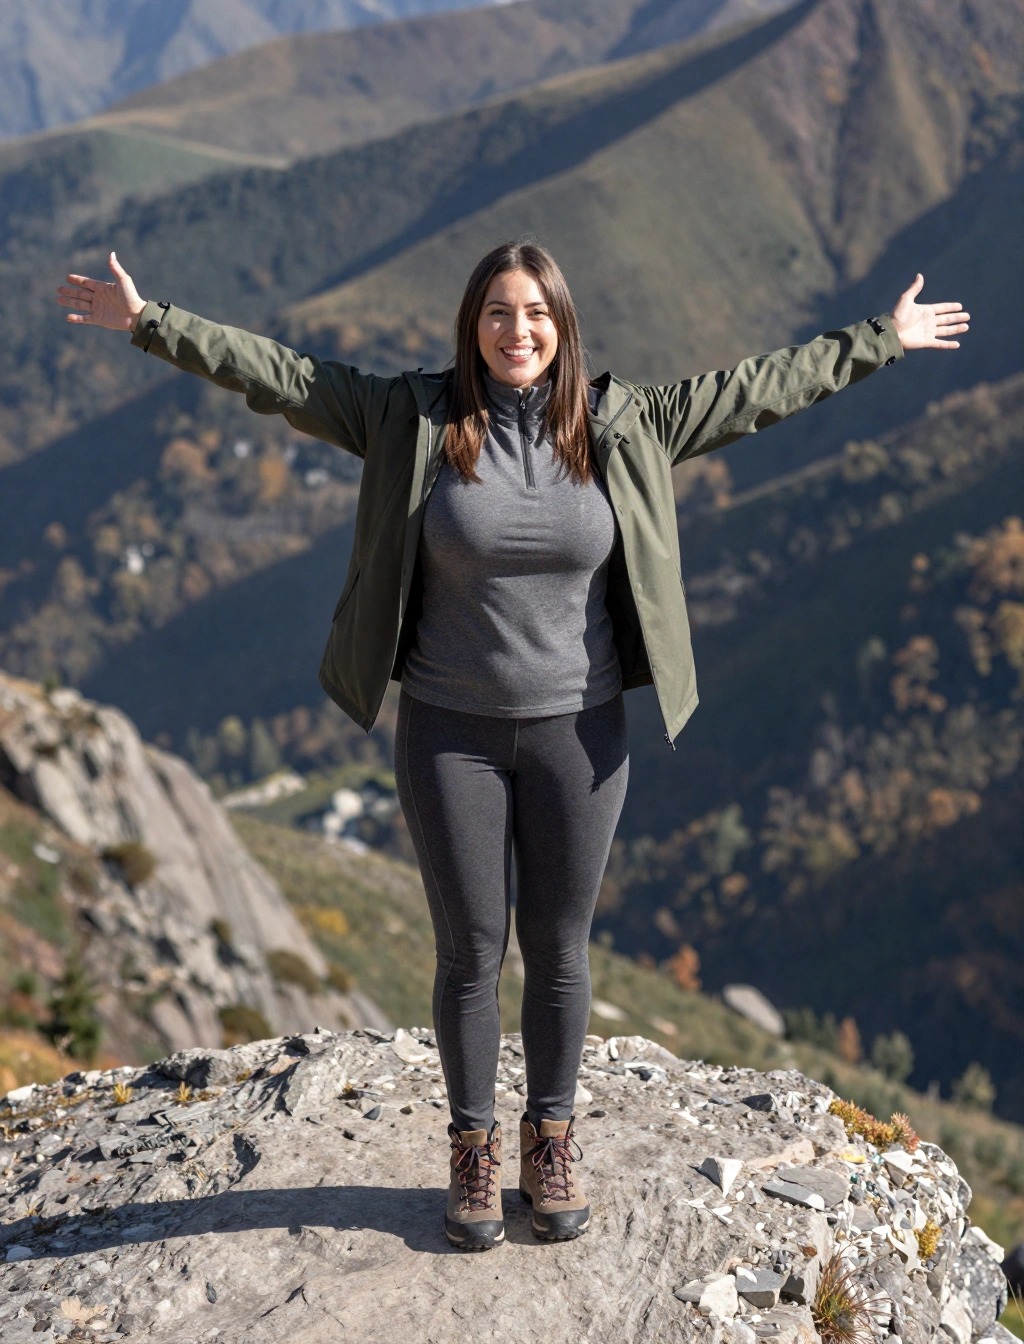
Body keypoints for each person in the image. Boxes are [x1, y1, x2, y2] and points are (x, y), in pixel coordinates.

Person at [57, 242, 969, 1251]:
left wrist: (881, 339)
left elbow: (762, 389)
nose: (517, 330)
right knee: (470, 953)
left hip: (580, 731)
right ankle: (473, 1150)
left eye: (535, 314)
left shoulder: (627, 422)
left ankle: (552, 1140)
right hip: (450, 732)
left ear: (562, 327)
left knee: (561, 949)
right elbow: (281, 375)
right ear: (472, 323)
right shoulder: (410, 415)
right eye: (497, 312)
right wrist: (148, 322)